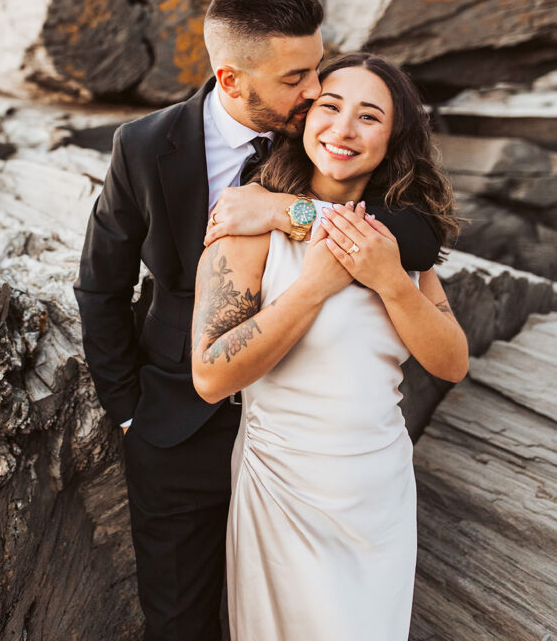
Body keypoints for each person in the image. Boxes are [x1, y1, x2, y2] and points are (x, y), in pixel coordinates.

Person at [74, 0, 440, 641]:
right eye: (296, 76)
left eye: (316, 67)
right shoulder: (143, 145)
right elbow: (102, 284)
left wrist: (284, 209)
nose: (313, 92)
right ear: (231, 78)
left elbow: (418, 236)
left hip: (305, 443)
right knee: (181, 622)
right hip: (181, 424)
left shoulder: (319, 132)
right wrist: (128, 411)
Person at [192, 52, 468, 641]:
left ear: (392, 138)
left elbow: (450, 361)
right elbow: (212, 376)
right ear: (302, 116)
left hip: (378, 491)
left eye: (369, 117)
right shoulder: (249, 224)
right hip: (284, 487)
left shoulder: (398, 243)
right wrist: (315, 285)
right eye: (330, 106)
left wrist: (391, 281)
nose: (343, 129)